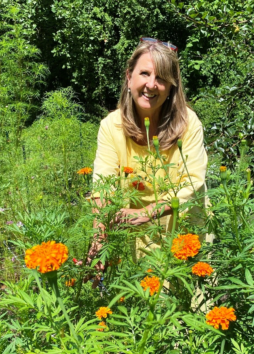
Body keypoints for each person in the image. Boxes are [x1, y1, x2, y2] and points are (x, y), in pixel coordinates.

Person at [87, 38, 208, 270]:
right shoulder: (111, 127)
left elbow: (193, 183)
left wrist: (147, 212)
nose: (151, 84)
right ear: (129, 77)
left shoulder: (188, 123)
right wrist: (99, 242)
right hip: (133, 235)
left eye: (161, 78)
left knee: (188, 303)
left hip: (184, 233)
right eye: (144, 73)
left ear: (172, 85)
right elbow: (102, 189)